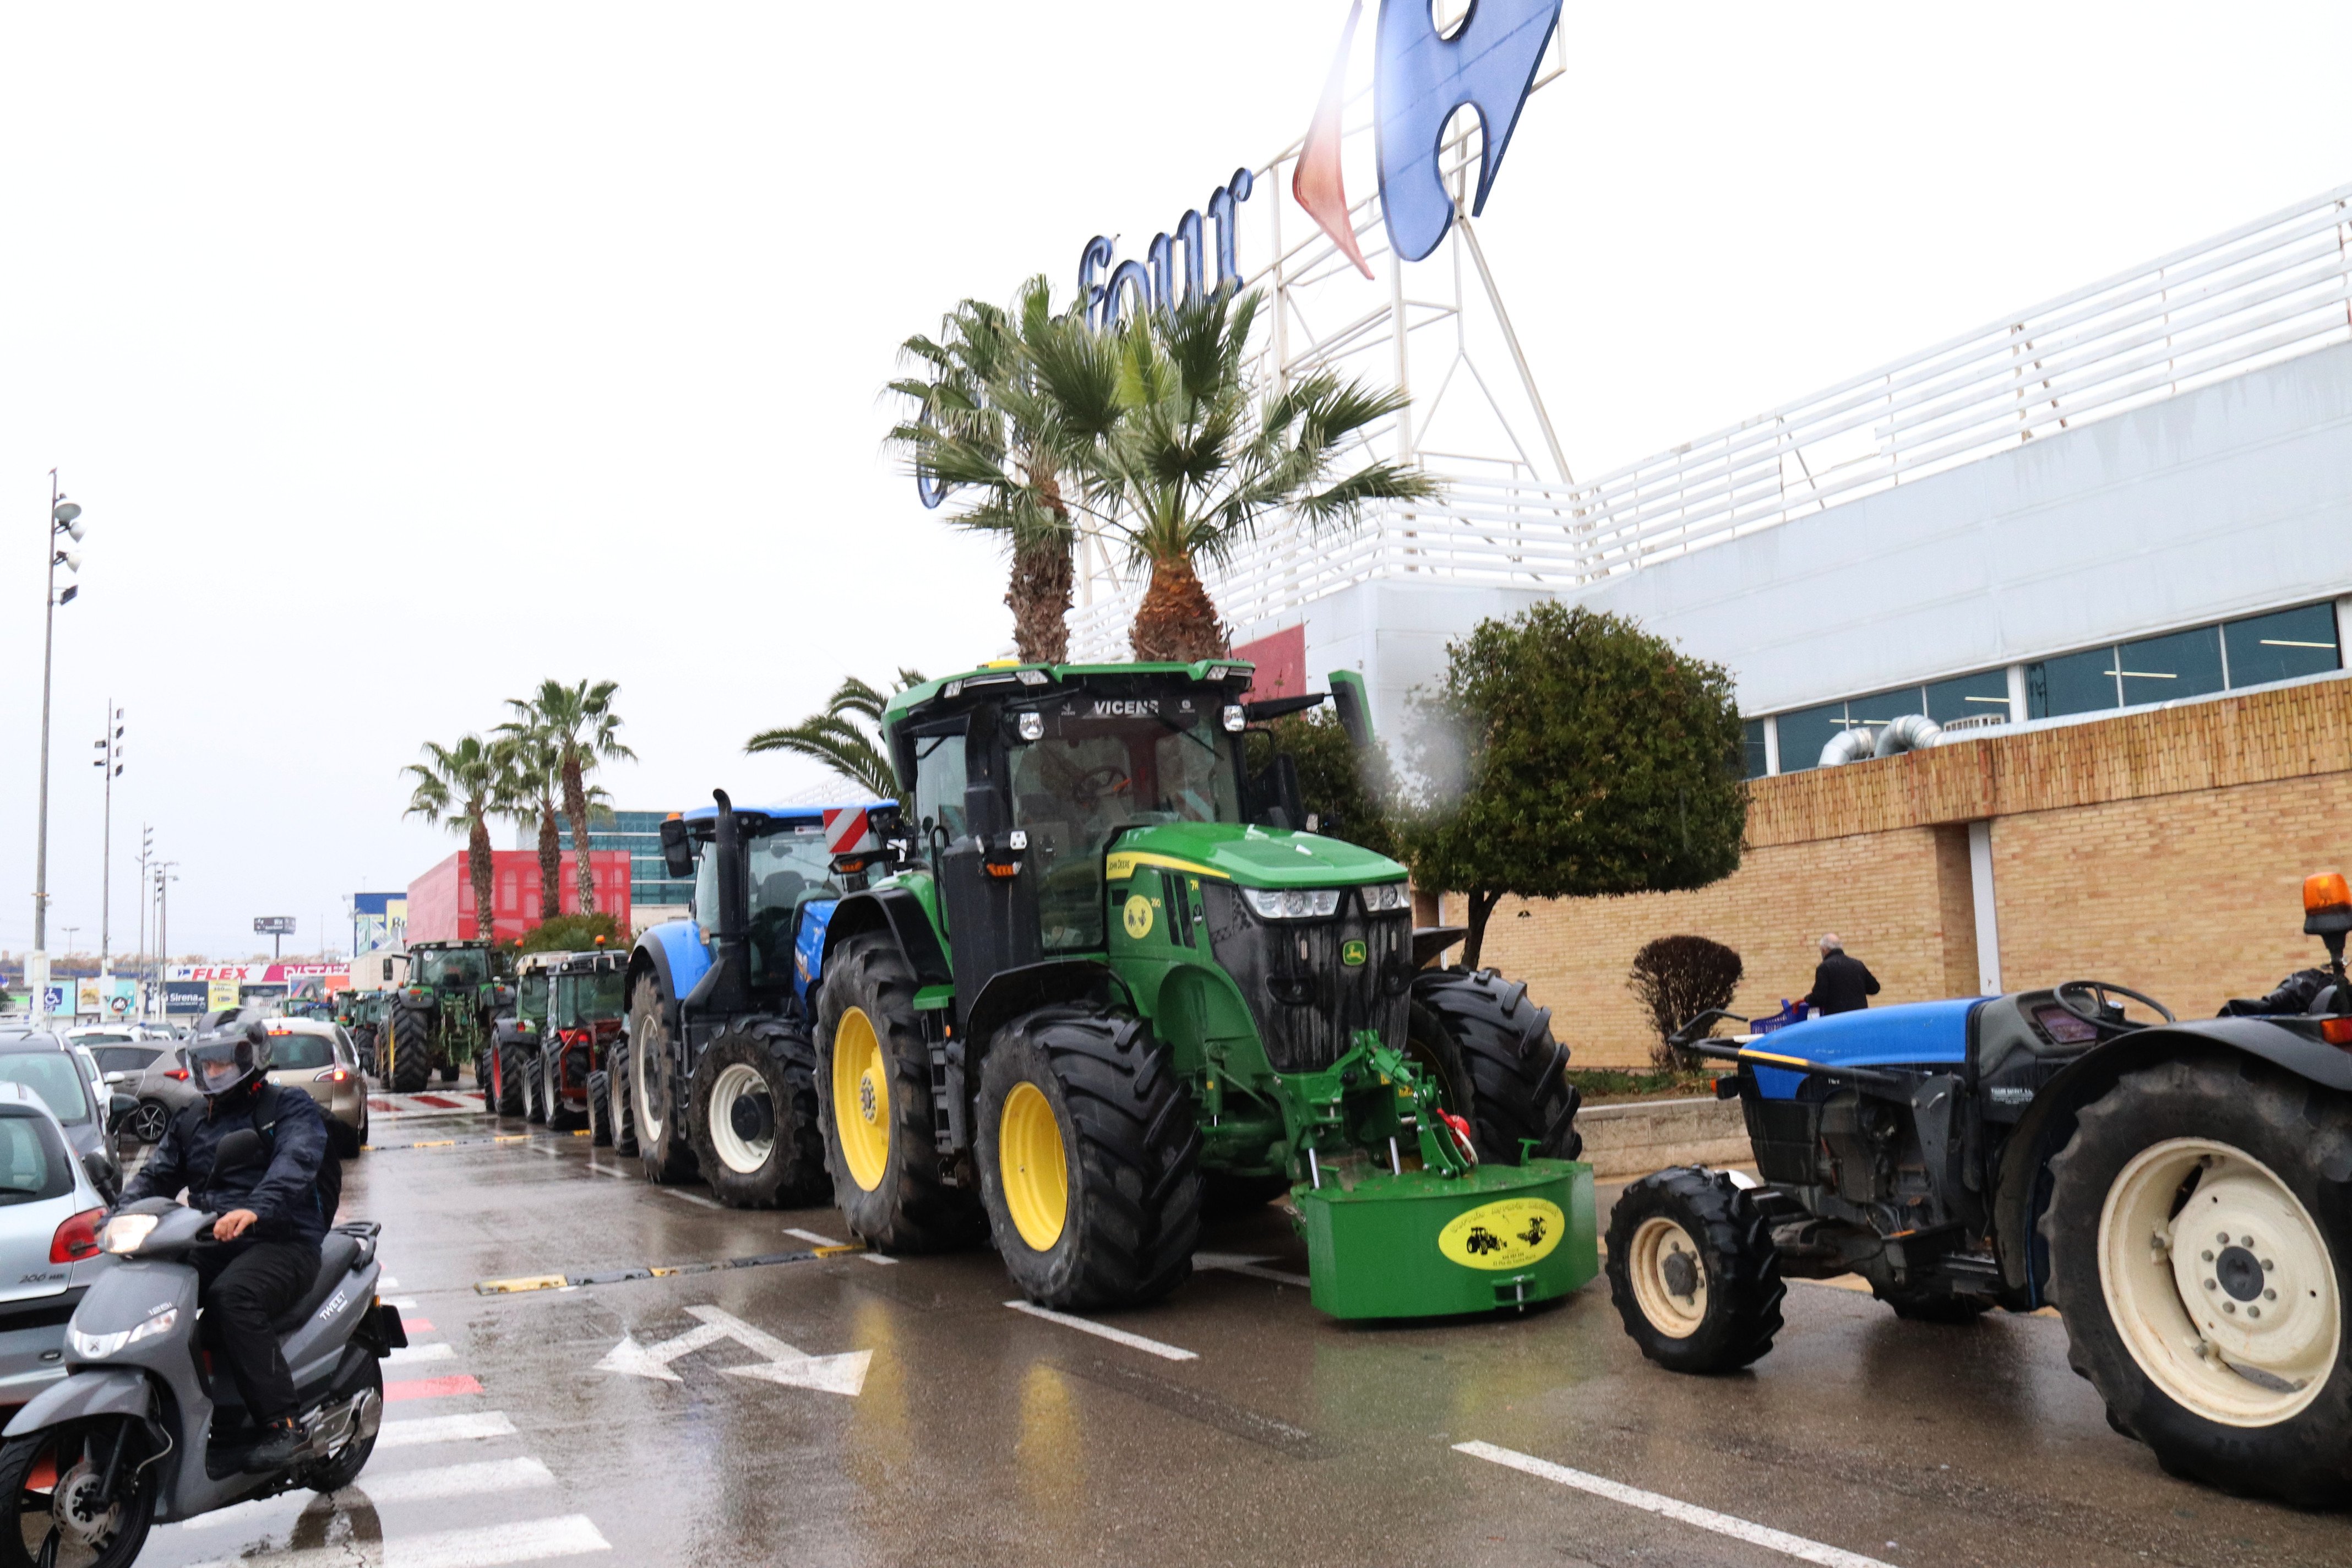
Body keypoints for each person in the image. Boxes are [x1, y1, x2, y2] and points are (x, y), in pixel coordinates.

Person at [121, 1017, 330, 1470]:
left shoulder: (287, 1108)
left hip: (283, 1239)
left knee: (231, 1297)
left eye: (222, 1061)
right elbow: (157, 1176)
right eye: (206, 1062)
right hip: (215, 1237)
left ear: (249, 1057)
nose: (213, 1071)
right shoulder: (192, 1117)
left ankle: (285, 1426)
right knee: (152, 1288)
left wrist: (255, 1207)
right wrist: (116, 1212)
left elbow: (297, 1160)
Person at [1805, 933, 1880, 1016]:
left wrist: (1807, 999)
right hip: (1860, 1019)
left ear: (1824, 949)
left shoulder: (1825, 967)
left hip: (1837, 1020)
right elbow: (1875, 988)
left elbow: (1819, 998)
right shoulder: (1858, 965)